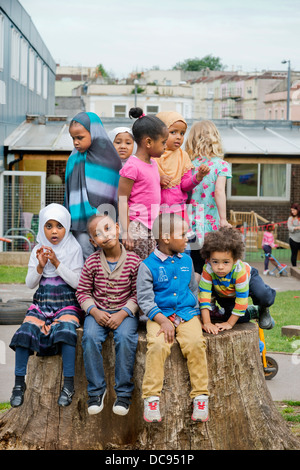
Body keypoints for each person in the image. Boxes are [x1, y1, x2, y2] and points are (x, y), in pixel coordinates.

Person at [9, 204, 84, 408]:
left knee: (67, 331)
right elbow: (30, 283)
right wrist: (41, 266)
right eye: (48, 226)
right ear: (42, 227)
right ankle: (18, 384)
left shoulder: (73, 247)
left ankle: (68, 384)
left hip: (66, 302)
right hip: (42, 302)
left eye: (59, 226)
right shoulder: (37, 249)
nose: (54, 231)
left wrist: (58, 264)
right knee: (26, 331)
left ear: (67, 227)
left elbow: (78, 283)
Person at [137, 213, 209, 423]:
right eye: (183, 234)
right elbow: (145, 299)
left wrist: (194, 315)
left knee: (196, 343)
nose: (188, 237)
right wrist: (162, 320)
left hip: (187, 315)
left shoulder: (187, 260)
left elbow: (192, 290)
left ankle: (201, 396)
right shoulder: (148, 266)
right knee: (158, 346)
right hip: (159, 317)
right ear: (166, 238)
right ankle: (151, 398)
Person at [76, 213, 141, 416]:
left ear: (117, 228)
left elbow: (139, 293)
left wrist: (123, 314)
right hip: (98, 313)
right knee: (90, 338)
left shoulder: (133, 261)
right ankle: (96, 391)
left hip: (125, 314)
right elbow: (83, 292)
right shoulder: (92, 262)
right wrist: (94, 311)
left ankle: (123, 394)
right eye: (98, 234)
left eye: (107, 228)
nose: (105, 235)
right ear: (93, 241)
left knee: (124, 338)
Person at [198, 227, 276, 335]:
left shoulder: (240, 271)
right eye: (215, 261)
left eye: (225, 262)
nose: (220, 267)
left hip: (247, 281)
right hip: (225, 291)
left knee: (263, 296)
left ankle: (262, 308)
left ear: (235, 260)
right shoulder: (208, 269)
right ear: (208, 258)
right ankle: (254, 312)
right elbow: (204, 296)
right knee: (233, 317)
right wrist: (207, 323)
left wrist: (229, 324)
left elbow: (241, 299)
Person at [65, 112, 122, 260]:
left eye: (80, 137)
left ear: (94, 132)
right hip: (80, 221)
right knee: (87, 259)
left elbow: (116, 193)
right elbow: (69, 192)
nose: (76, 142)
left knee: (108, 260)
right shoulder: (73, 159)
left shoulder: (111, 159)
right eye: (73, 138)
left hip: (106, 222)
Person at [118, 107, 169, 260]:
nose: (166, 147)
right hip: (136, 227)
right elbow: (122, 200)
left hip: (150, 228)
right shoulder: (132, 167)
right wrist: (126, 232)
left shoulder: (153, 164)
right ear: (148, 142)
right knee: (135, 269)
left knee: (148, 268)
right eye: (163, 142)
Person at [185, 120, 232, 278]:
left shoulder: (188, 165)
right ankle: (208, 298)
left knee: (195, 264)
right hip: (211, 224)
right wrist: (224, 219)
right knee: (212, 264)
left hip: (190, 222)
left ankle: (193, 298)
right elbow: (219, 191)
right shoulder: (221, 165)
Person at [155, 111, 210, 223]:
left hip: (178, 210)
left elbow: (185, 186)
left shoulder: (183, 156)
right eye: (173, 132)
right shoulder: (153, 155)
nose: (178, 137)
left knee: (178, 239)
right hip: (156, 210)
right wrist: (157, 179)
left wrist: (198, 177)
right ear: (158, 133)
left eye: (182, 133)